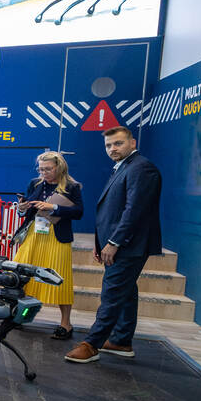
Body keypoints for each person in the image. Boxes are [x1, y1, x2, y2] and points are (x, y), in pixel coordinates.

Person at [66, 126, 162, 363]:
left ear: (133, 143)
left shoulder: (142, 167)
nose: (112, 149)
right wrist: (101, 242)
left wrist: (114, 242)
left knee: (112, 293)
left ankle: (92, 344)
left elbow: (134, 211)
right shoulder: (125, 166)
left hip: (128, 244)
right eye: (108, 145)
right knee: (126, 292)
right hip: (119, 242)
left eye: (118, 143)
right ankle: (121, 341)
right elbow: (113, 210)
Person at [12, 151, 84, 340]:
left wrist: (54, 207)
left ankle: (66, 324)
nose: (43, 173)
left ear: (59, 167)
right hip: (33, 234)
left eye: (48, 169)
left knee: (59, 278)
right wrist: (21, 209)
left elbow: (78, 212)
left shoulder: (71, 187)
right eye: (41, 169)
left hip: (57, 237)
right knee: (23, 275)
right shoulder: (35, 184)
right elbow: (26, 209)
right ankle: (19, 315)